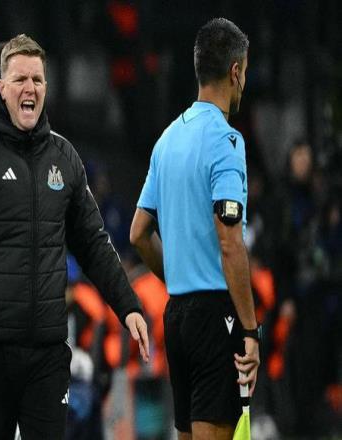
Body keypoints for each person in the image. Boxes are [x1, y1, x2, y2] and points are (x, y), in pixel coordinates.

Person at [0, 34, 149, 440]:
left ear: (46, 88)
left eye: (37, 79)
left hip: (49, 355)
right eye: (20, 79)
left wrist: (128, 306)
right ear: (1, 86)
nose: (29, 88)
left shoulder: (64, 157)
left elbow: (93, 242)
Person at [130, 18, 260, 440]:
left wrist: (176, 277)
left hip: (177, 317)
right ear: (235, 72)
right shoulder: (226, 141)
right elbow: (230, 242)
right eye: (245, 72)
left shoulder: (166, 140)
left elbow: (138, 233)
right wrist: (249, 329)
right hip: (215, 317)